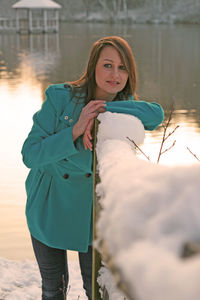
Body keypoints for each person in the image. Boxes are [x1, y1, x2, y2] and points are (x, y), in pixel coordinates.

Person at [21, 36, 164, 300]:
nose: (115, 74)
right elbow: (29, 154)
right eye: (107, 65)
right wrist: (75, 130)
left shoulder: (125, 106)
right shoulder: (59, 96)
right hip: (49, 206)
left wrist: (100, 109)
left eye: (123, 68)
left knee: (96, 291)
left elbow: (157, 115)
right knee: (54, 289)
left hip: (90, 216)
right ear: (92, 67)